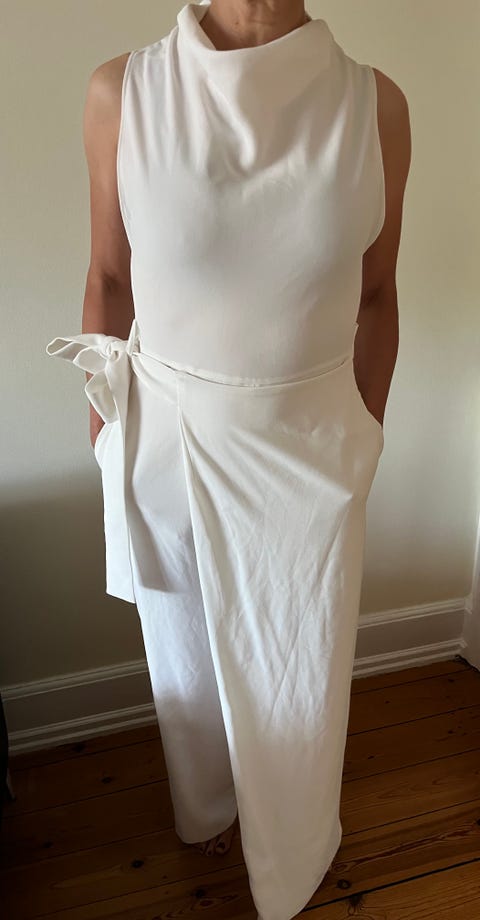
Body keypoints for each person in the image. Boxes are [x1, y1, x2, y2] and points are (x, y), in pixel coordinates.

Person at [46, 2, 411, 917]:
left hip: (312, 453)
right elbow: (109, 276)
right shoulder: (122, 93)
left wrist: (365, 433)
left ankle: (296, 845)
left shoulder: (376, 106)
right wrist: (105, 433)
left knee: (303, 667)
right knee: (187, 662)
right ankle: (206, 805)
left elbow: (377, 292)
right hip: (170, 441)